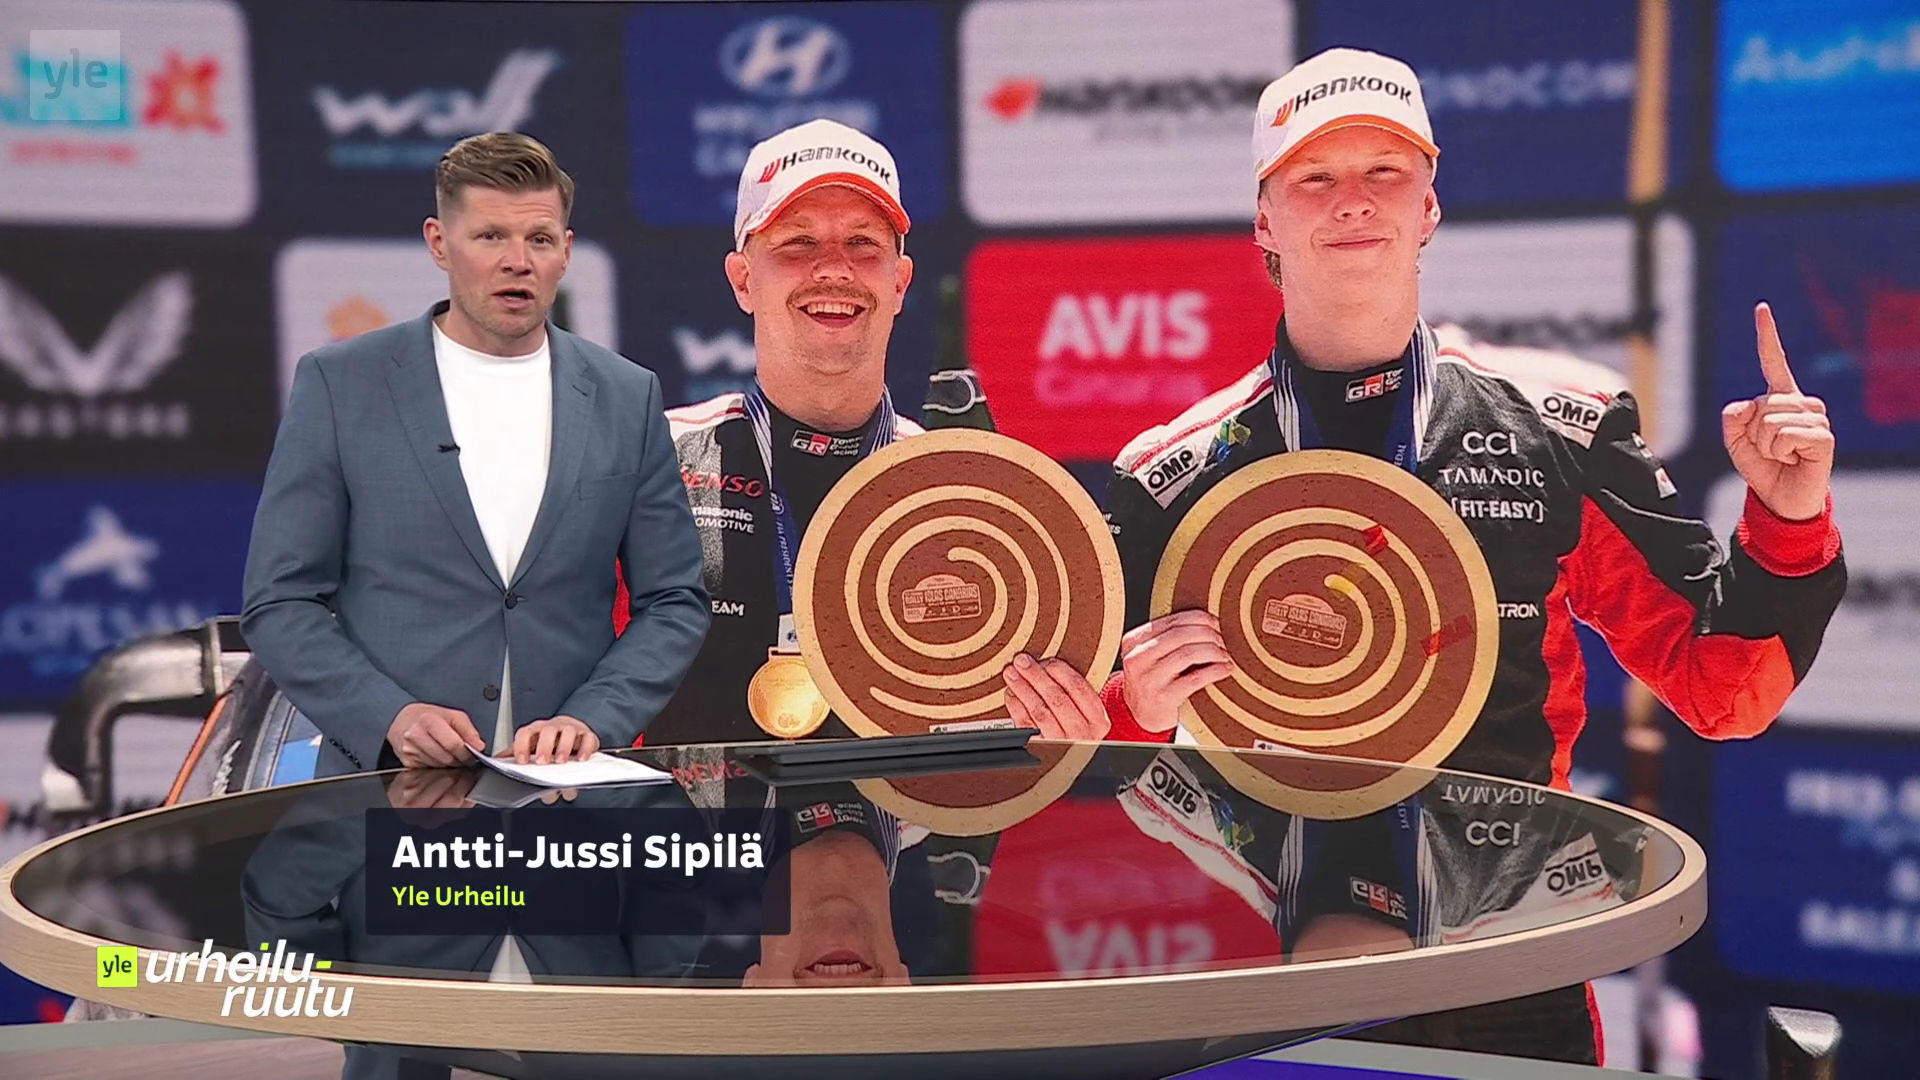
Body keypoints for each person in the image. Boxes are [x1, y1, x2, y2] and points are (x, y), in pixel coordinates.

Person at [1031, 47, 1848, 1064]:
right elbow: (1064, 753)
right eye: (1313, 176)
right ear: (1264, 222)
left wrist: (1788, 516)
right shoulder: (1173, 474)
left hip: (1517, 975)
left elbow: (1728, 692)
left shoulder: (1560, 424)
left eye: (1386, 171)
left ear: (1428, 206)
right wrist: (1133, 709)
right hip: (1305, 981)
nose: (1352, 200)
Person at [613, 118, 1105, 744]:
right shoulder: (648, 463)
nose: (834, 268)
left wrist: (1091, 717)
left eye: (863, 243)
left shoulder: (966, 492)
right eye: (798, 242)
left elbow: (1059, 720)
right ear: (742, 280)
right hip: (689, 814)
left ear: (899, 282)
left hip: (907, 813)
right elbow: (553, 677)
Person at [242, 132, 710, 780]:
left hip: (566, 802)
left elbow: (674, 601)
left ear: (566, 252)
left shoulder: (628, 396)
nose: (518, 261)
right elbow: (280, 602)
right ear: (439, 243)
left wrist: (594, 718)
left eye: (539, 239)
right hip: (390, 795)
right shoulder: (341, 385)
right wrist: (390, 717)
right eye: (490, 236)